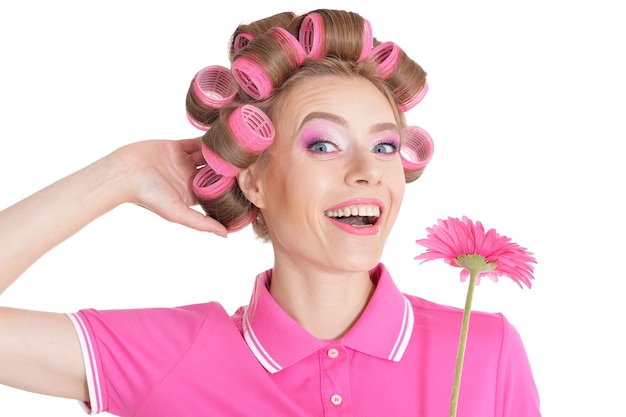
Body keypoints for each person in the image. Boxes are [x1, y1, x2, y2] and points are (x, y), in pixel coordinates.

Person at [0, 8, 541, 417]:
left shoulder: (484, 349)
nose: (368, 171)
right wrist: (119, 176)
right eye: (324, 145)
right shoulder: (176, 355)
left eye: (383, 147)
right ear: (254, 179)